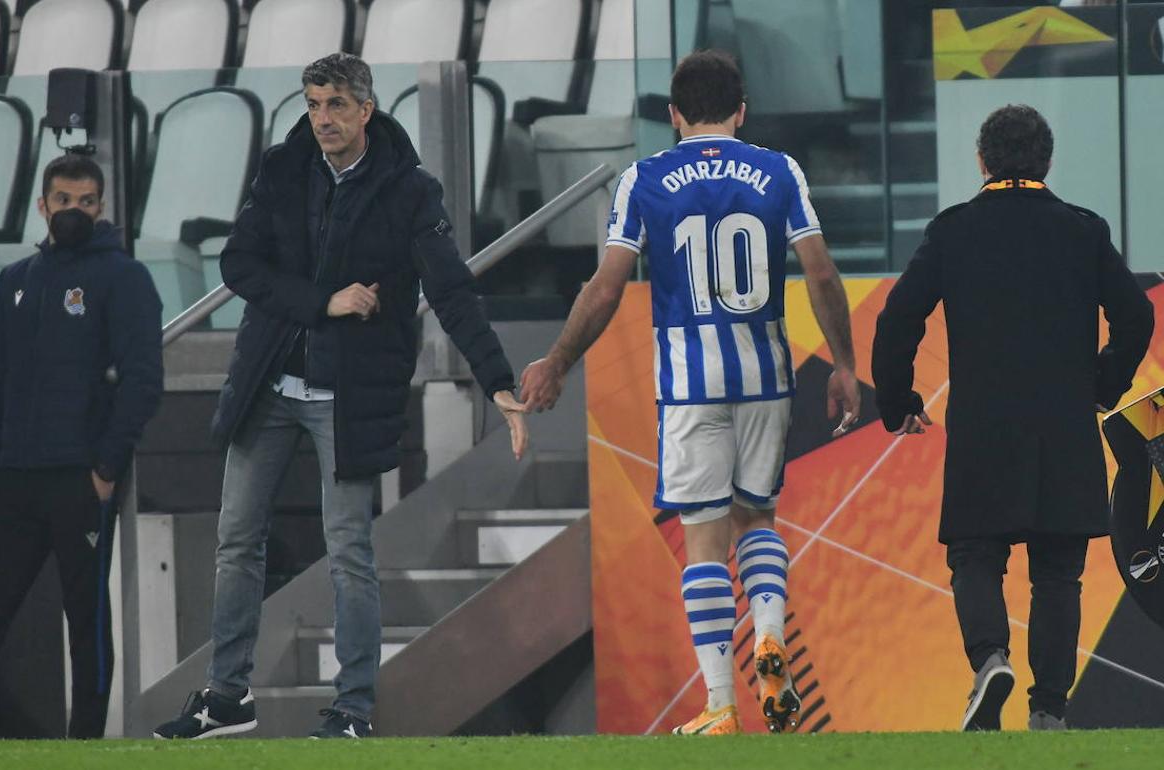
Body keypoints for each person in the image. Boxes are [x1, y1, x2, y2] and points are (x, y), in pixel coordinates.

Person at [153, 53, 528, 741]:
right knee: (236, 542)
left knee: (349, 550)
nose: (321, 118)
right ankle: (226, 699)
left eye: (334, 105)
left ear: (366, 110)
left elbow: (450, 290)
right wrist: (322, 302)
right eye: (313, 103)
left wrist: (498, 379)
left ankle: (353, 709)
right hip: (268, 383)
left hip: (345, 396)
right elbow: (239, 264)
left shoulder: (411, 190)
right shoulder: (281, 167)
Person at [520, 50, 860, 735]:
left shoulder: (645, 178)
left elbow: (609, 284)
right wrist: (845, 364)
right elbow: (820, 274)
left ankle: (721, 706)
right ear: (741, 111)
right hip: (766, 380)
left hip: (690, 384)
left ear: (674, 116)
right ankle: (769, 634)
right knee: (757, 518)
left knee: (703, 544)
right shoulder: (778, 169)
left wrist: (559, 359)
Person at [872, 104, 1154, 731]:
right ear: (1046, 162)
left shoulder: (953, 230)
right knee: (1059, 572)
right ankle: (1049, 711)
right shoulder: (1084, 230)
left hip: (982, 428)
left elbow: (897, 322)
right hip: (1064, 428)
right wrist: (1103, 385)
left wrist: (898, 404)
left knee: (975, 554)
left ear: (982, 161)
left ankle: (990, 660)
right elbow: (1136, 316)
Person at [0, 152, 164, 739]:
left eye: (85, 201)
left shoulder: (124, 278)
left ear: (101, 207)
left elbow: (143, 380)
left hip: (80, 481)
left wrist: (106, 467)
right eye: (63, 200)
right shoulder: (16, 281)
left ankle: (84, 746)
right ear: (42, 205)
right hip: (10, 483)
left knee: (87, 621)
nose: (73, 210)